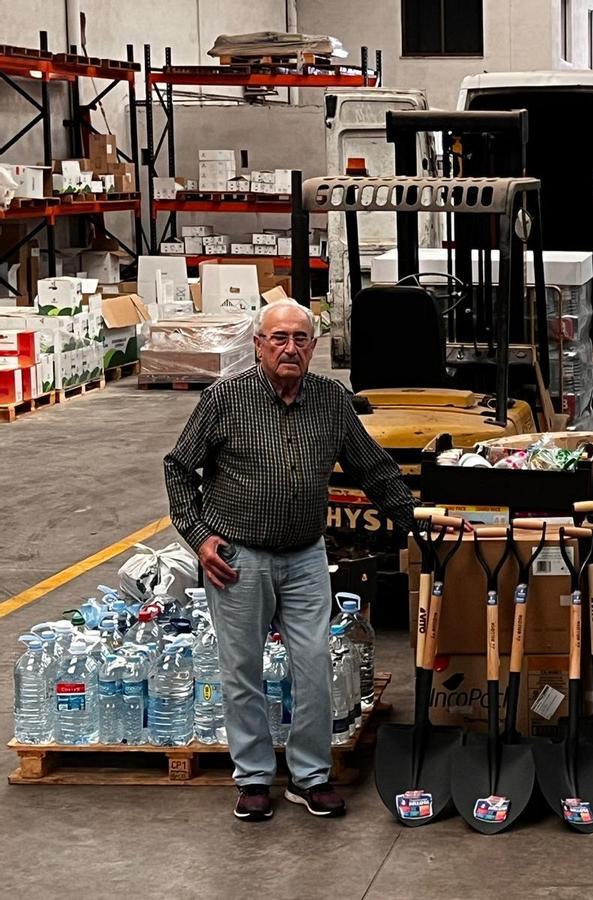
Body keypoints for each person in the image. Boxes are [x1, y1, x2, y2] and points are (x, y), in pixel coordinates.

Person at [164, 299, 416, 822]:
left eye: (301, 339)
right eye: (279, 338)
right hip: (239, 559)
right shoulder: (224, 399)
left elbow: (373, 468)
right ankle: (254, 777)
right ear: (258, 345)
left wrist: (420, 521)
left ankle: (310, 776)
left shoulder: (330, 399)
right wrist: (199, 537)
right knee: (241, 672)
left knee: (315, 666)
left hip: (305, 557)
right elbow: (179, 468)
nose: (290, 348)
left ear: (314, 347)